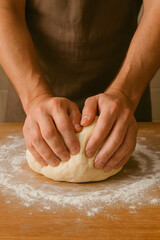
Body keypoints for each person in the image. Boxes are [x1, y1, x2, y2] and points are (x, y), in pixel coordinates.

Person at [0, 0, 159, 172]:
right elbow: (4, 7)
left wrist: (125, 94)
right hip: (29, 87)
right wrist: (35, 98)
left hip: (128, 85)